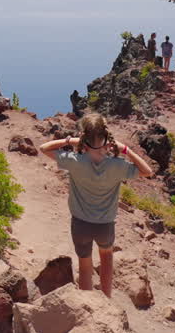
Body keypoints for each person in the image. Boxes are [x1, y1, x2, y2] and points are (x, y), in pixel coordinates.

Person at [39, 113, 154, 297]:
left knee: (85, 266)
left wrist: (71, 140)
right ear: (107, 137)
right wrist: (126, 150)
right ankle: (106, 301)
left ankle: (89, 305)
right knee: (106, 262)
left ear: (84, 138)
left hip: (80, 225)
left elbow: (44, 147)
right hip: (105, 226)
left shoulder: (74, 161)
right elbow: (147, 172)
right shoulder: (117, 166)